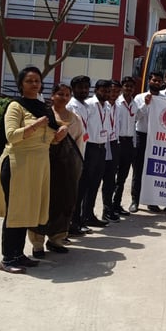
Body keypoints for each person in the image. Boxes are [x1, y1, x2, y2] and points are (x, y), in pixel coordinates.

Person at [0, 67, 68, 273]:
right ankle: (7, 259)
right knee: (15, 211)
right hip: (18, 164)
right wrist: (34, 125)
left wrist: (58, 136)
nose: (34, 84)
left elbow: (48, 139)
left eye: (37, 81)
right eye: (29, 81)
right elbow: (11, 135)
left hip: (38, 166)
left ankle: (18, 254)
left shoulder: (44, 107)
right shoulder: (15, 106)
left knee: (27, 210)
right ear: (21, 84)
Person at [29, 82, 83, 258]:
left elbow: (79, 142)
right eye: (60, 94)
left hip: (66, 167)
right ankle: (37, 243)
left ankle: (56, 240)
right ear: (52, 95)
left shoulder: (75, 119)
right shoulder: (43, 115)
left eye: (67, 95)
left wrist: (77, 166)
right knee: (41, 202)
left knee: (63, 201)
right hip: (44, 164)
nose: (63, 98)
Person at [73, 79, 112, 228]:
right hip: (89, 147)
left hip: (101, 147)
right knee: (84, 184)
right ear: (96, 90)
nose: (106, 93)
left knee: (95, 183)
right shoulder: (88, 104)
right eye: (103, 90)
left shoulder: (107, 106)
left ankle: (89, 215)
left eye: (108, 91)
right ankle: (77, 219)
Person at [130, 71, 163, 212]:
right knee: (138, 169)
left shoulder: (165, 99)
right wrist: (146, 104)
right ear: (149, 81)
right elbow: (135, 117)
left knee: (153, 171)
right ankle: (135, 201)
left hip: (157, 138)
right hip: (141, 135)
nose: (156, 83)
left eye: (159, 81)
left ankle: (151, 201)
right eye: (154, 80)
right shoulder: (139, 97)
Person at [66, 75, 91, 235]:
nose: (84, 90)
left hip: (84, 149)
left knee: (81, 190)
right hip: (73, 153)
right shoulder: (71, 107)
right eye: (80, 87)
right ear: (73, 89)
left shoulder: (85, 105)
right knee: (72, 192)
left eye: (86, 87)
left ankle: (76, 222)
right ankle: (69, 225)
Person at [113, 76, 137, 216]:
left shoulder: (135, 104)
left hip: (129, 143)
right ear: (122, 87)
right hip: (118, 142)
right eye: (126, 86)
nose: (129, 89)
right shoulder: (116, 103)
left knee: (122, 177)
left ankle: (117, 204)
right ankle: (109, 206)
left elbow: (137, 120)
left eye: (131, 87)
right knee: (112, 176)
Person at [100, 80, 122, 223]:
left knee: (110, 179)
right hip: (102, 142)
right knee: (95, 179)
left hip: (114, 143)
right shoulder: (102, 106)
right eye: (112, 91)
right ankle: (85, 213)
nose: (114, 94)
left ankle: (107, 209)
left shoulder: (118, 107)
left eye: (117, 92)